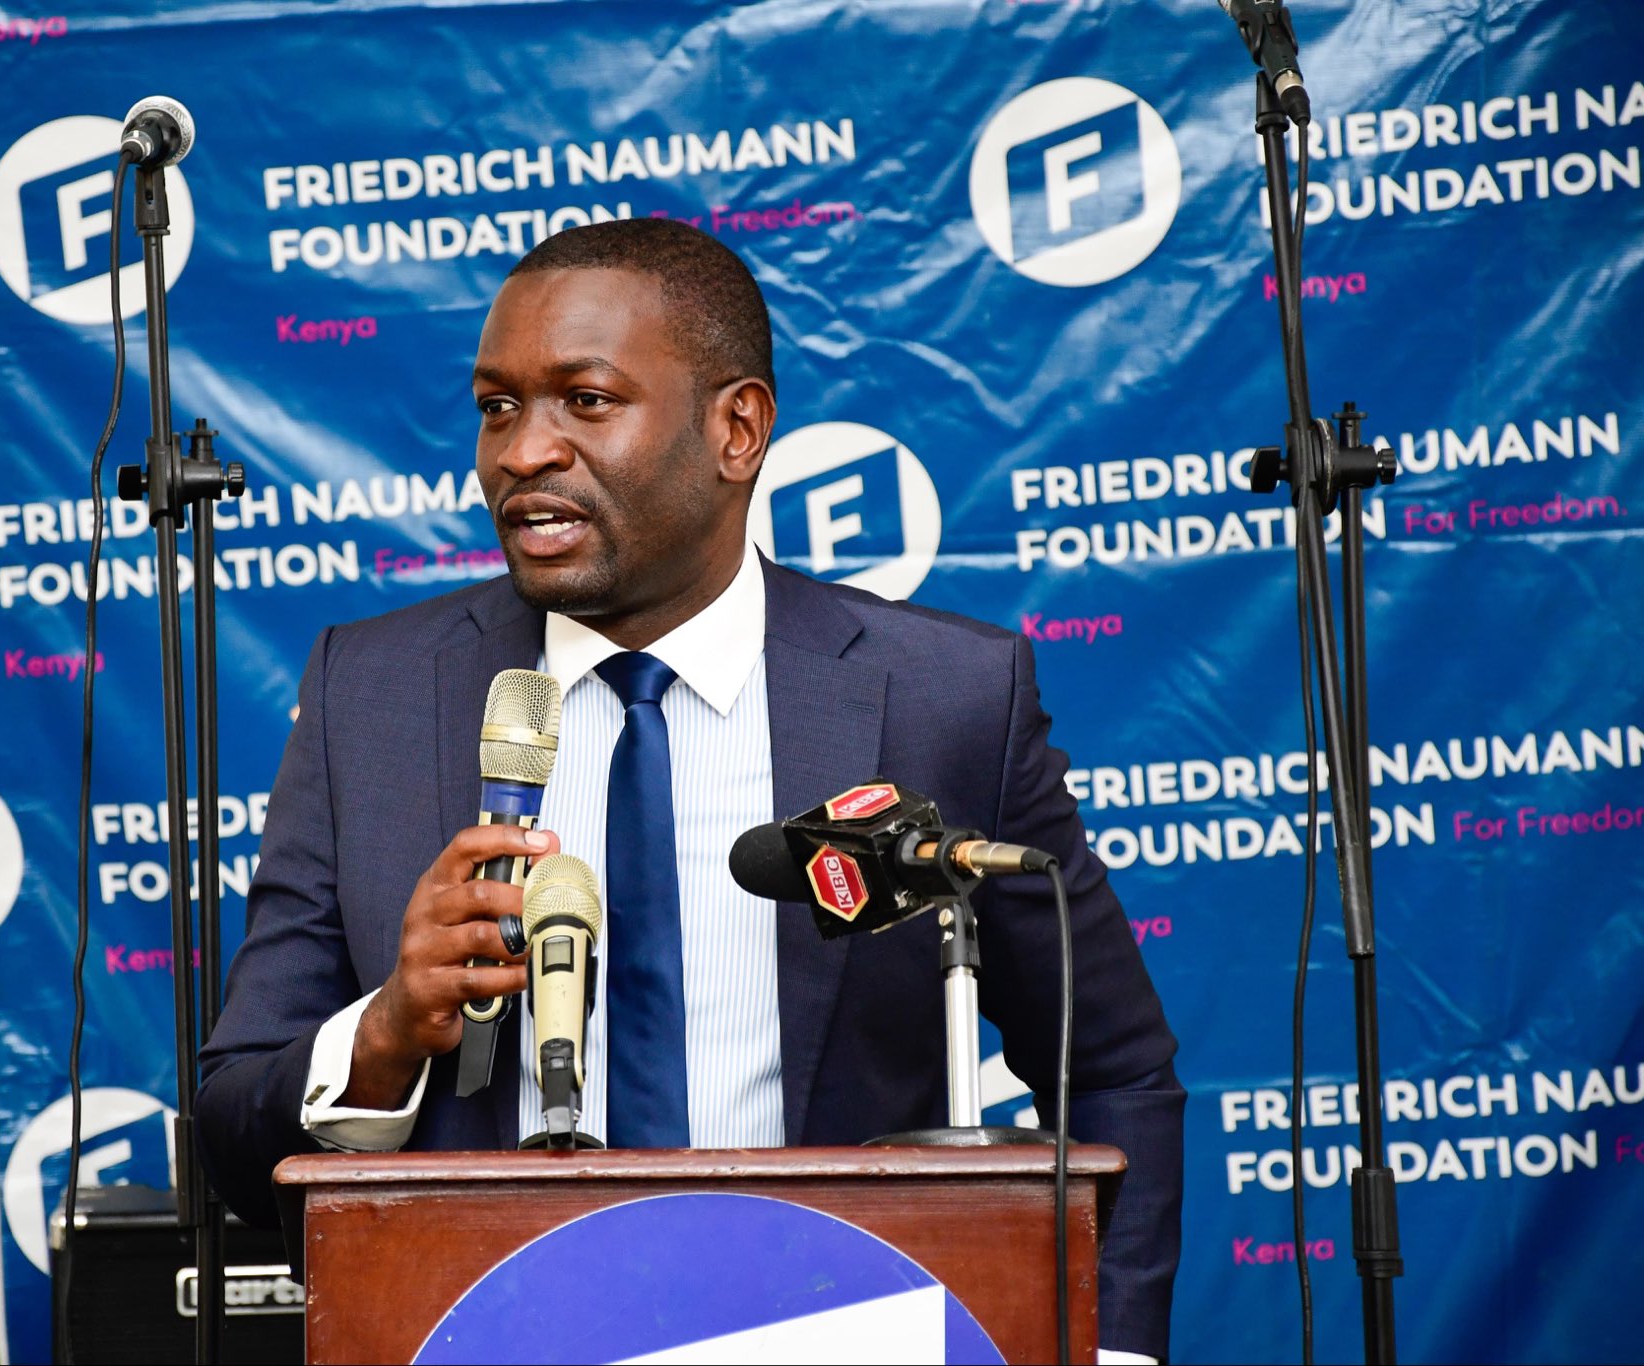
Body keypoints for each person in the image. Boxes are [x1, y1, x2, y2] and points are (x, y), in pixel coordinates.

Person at [196, 218, 1183, 1361]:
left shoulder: (940, 697)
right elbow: (232, 1136)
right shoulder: (370, 695)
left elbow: (1112, 1071)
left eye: (586, 401)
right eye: (498, 406)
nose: (523, 452)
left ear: (736, 429)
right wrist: (383, 1036)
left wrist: (1108, 1350)